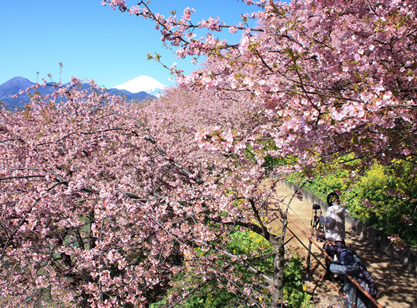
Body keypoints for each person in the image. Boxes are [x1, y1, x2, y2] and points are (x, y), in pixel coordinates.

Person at [320, 192, 349, 279]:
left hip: (332, 239)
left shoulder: (331, 210)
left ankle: (329, 275)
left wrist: (321, 220)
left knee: (329, 257)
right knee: (341, 259)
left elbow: (329, 223)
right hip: (340, 238)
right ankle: (341, 277)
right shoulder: (342, 209)